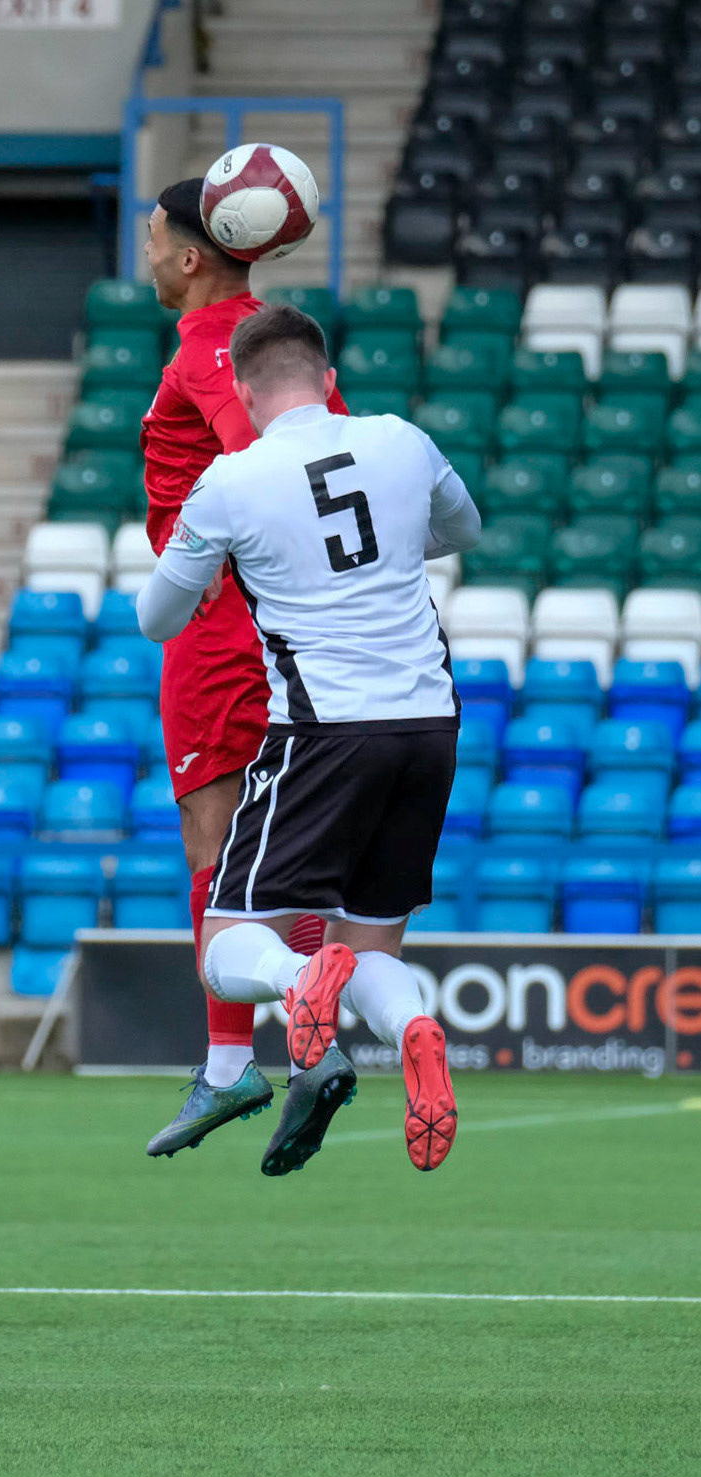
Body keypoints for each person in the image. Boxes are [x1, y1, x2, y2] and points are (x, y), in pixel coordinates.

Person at [137, 304, 481, 1176]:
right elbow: (461, 532)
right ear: (327, 380)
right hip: (429, 728)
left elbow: (155, 619)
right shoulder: (400, 439)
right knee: (371, 947)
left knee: (223, 947)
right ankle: (413, 1027)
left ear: (245, 395)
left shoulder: (233, 479)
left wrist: (224, 560)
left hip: (323, 734)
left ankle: (299, 985)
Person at [141, 178, 348, 1157]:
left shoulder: (217, 342)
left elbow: (265, 460)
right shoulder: (279, 334)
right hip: (284, 621)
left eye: (151, 242)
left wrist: (224, 575)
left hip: (226, 622)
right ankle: (306, 1047)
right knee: (282, 848)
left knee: (213, 846)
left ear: (189, 256)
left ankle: (235, 1065)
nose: (144, 258)